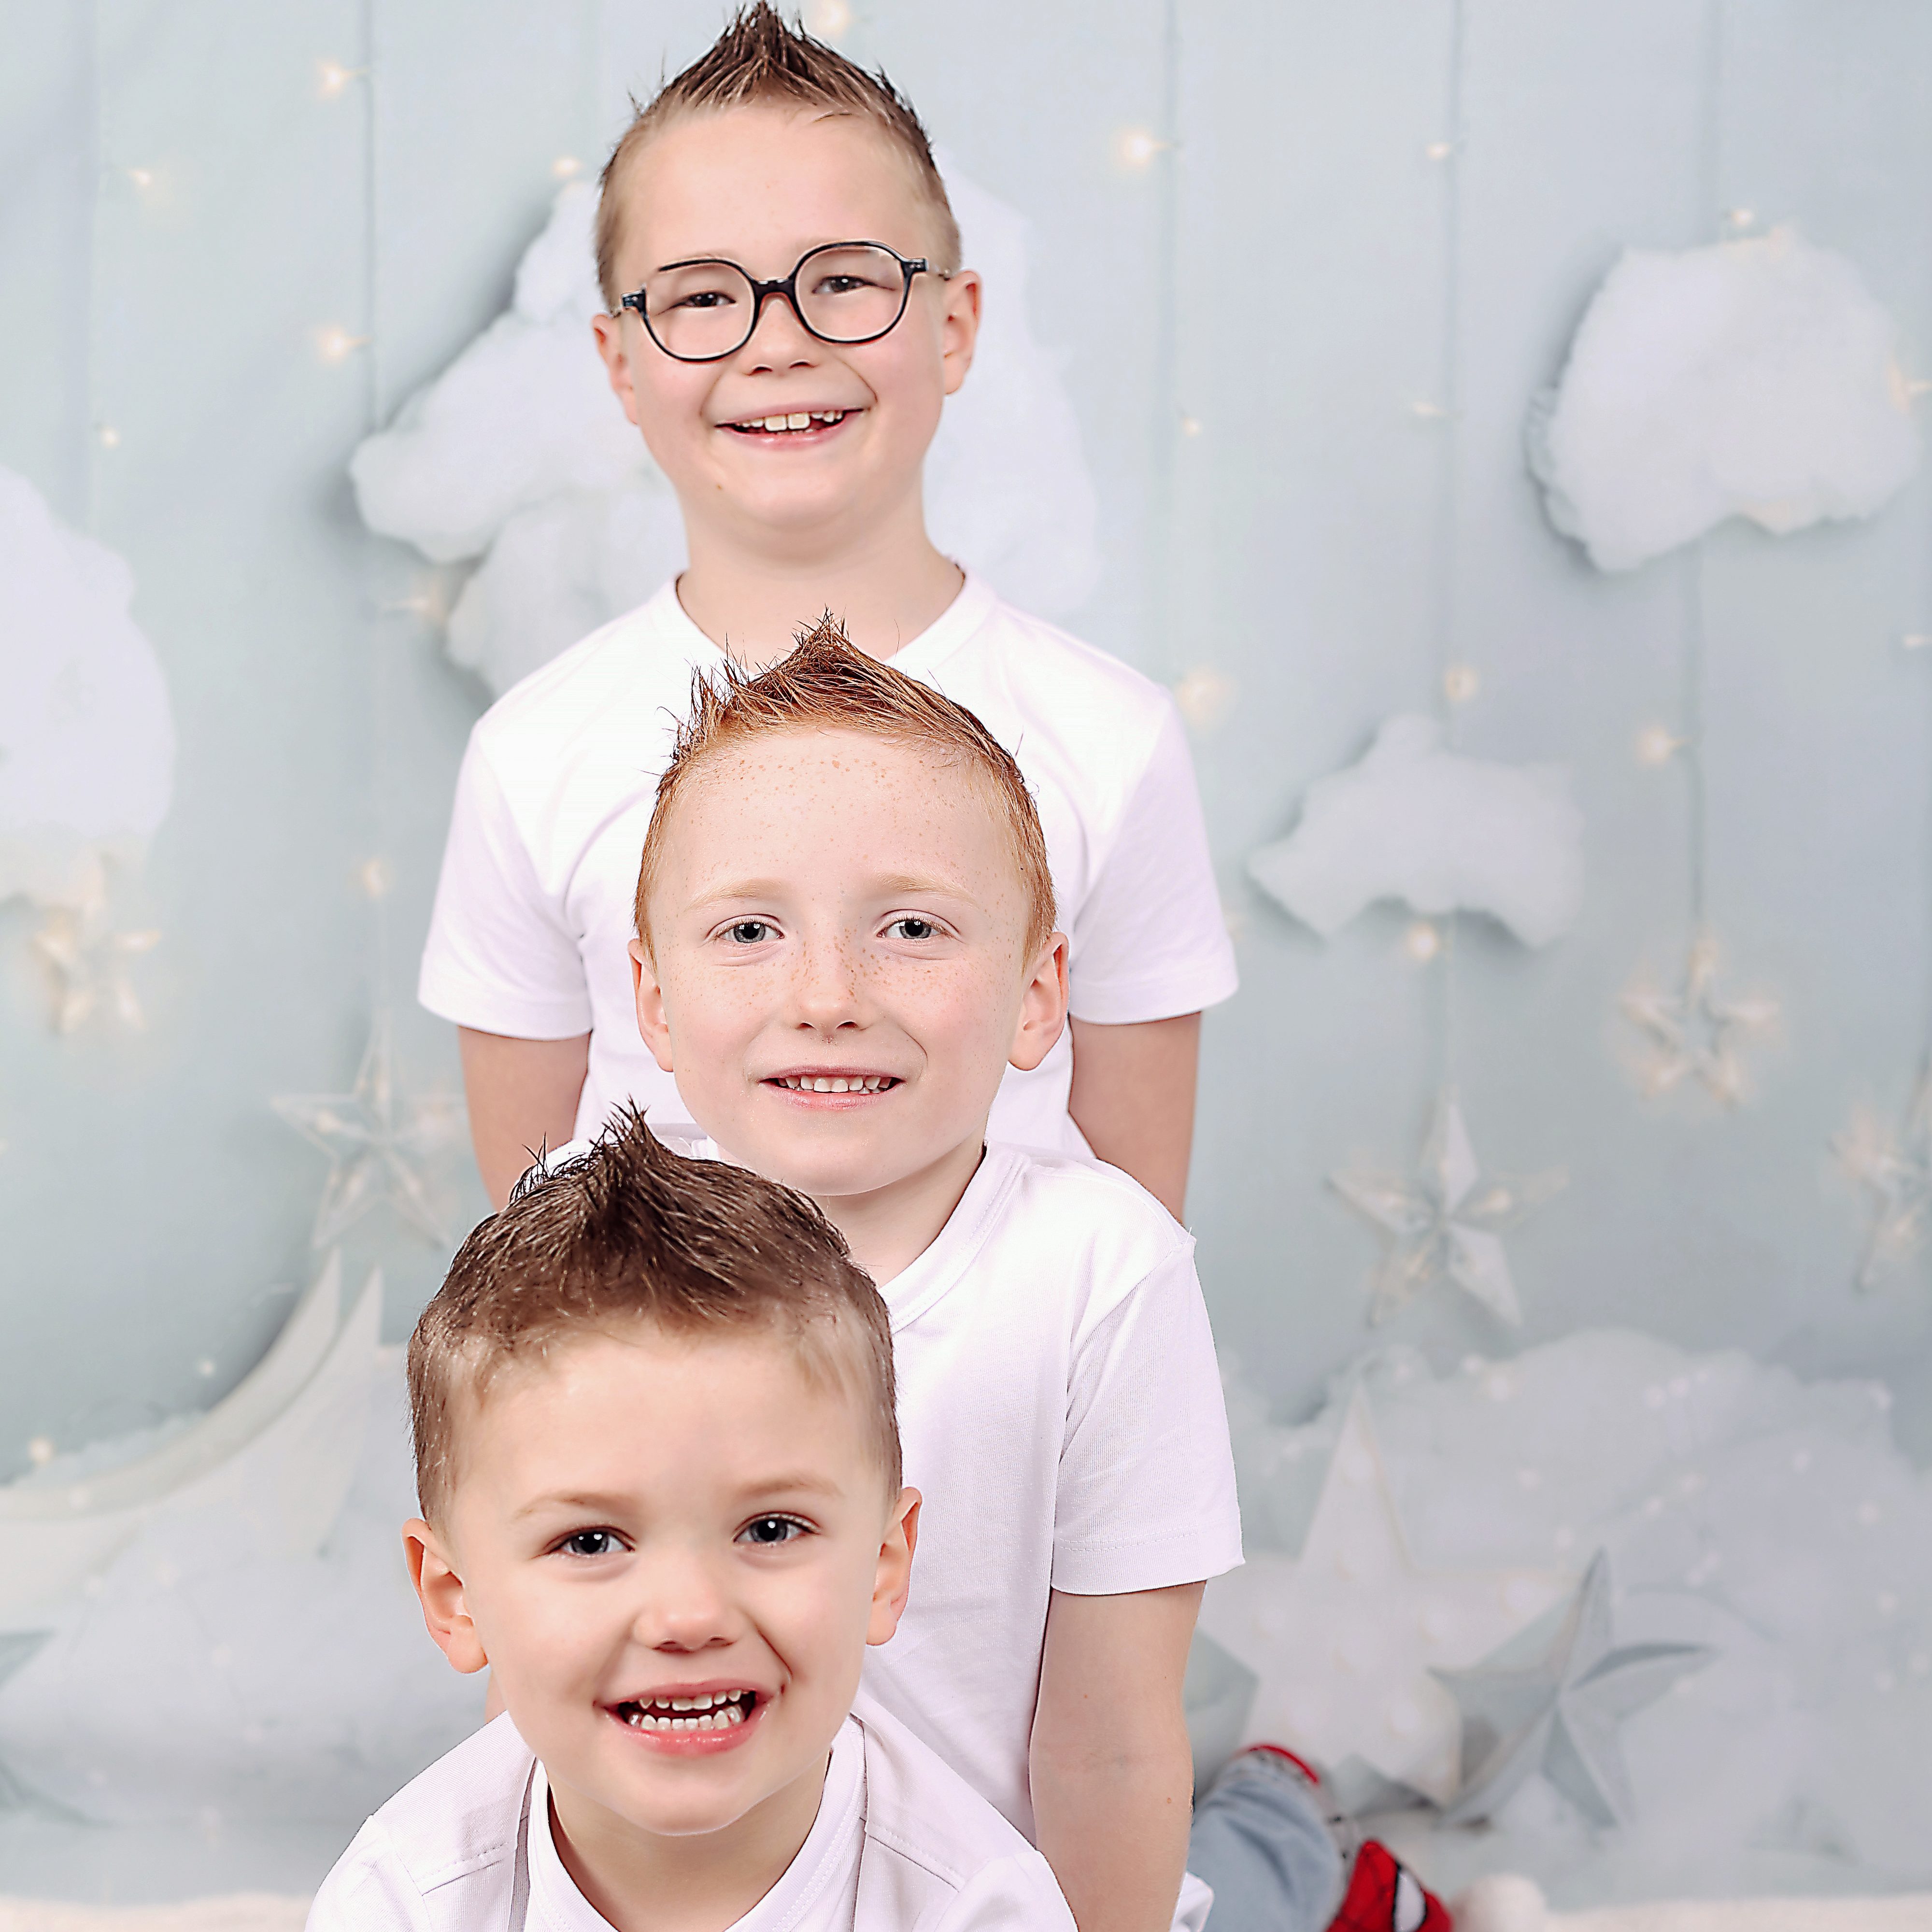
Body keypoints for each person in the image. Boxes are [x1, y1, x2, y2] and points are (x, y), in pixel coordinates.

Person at [615, 623, 1450, 1932]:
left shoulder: (1098, 1271)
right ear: (655, 1002)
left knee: (1233, 1894)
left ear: (1035, 995)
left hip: (1030, 1895)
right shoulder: (590, 1257)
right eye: (750, 928)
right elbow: (544, 1665)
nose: (826, 994)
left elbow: (1109, 1747)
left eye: (910, 926)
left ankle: (1300, 1840)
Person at [419, 2, 1236, 1220]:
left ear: (953, 327)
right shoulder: (532, 756)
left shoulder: (1110, 740)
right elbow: (536, 1239)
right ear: (621, 363)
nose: (776, 344)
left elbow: (1134, 1231)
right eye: (702, 298)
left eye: (843, 281)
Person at [307, 1114, 1078, 1931]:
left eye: (771, 1530)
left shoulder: (978, 1905)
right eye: (591, 1542)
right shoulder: (404, 1899)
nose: (689, 1617)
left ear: (885, 1566)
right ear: (454, 1596)